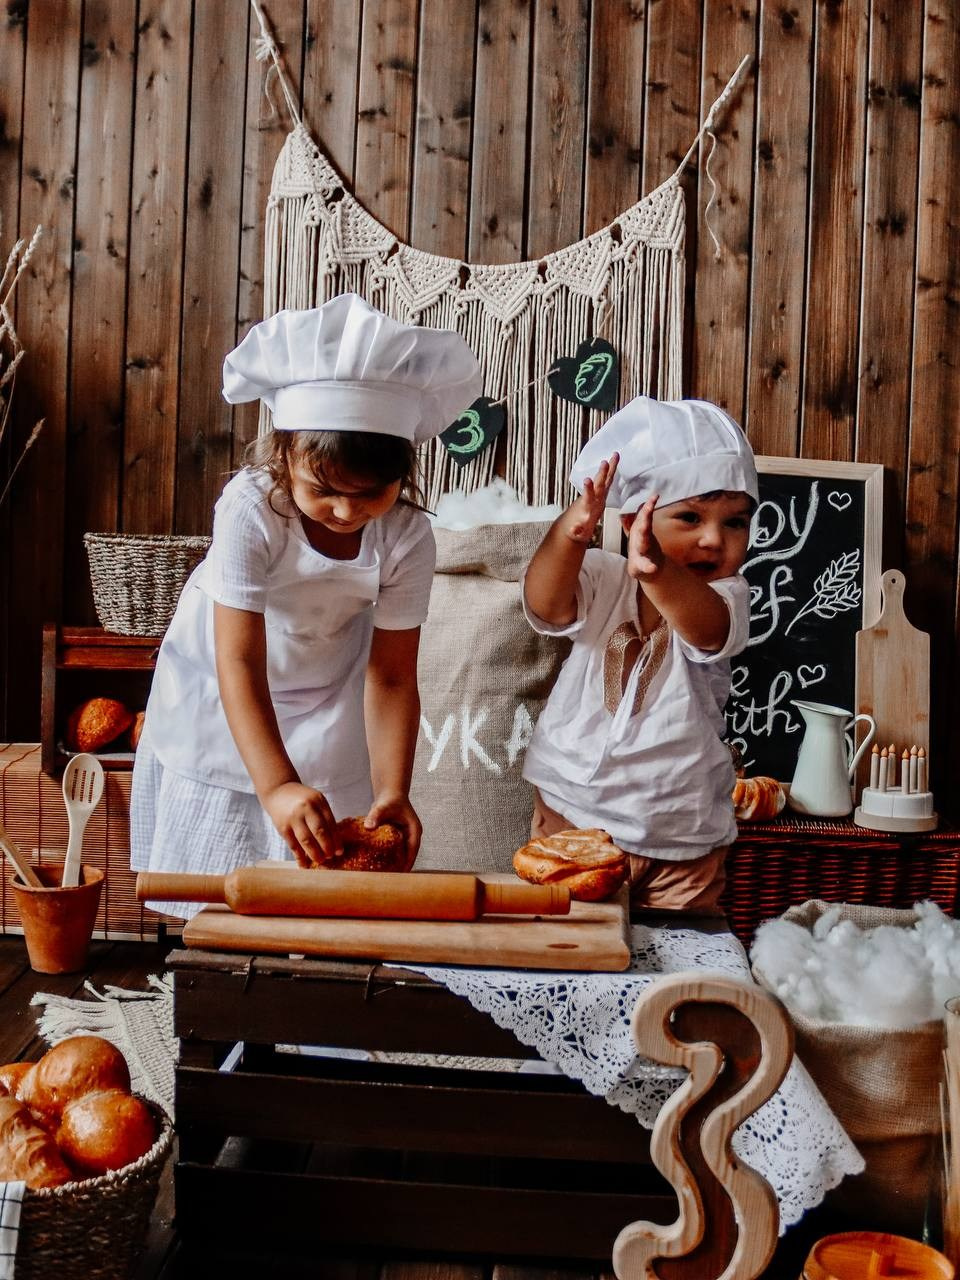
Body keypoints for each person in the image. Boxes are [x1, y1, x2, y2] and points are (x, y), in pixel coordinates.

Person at [130, 293, 482, 917]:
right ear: (286, 454)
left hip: (327, 684)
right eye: (324, 491)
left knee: (315, 888)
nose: (347, 513)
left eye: (370, 494)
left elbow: (393, 674)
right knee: (222, 886)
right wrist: (277, 784)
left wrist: (393, 789)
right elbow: (238, 661)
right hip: (224, 683)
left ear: (403, 475)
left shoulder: (407, 536)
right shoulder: (251, 509)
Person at [520, 395, 757, 914]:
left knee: (679, 963)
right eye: (691, 517)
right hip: (574, 812)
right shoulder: (605, 577)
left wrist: (657, 570)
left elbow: (706, 630)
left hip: (681, 833)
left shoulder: (727, 597)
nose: (714, 540)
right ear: (631, 522)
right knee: (567, 944)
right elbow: (546, 604)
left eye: (735, 522)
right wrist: (569, 534)